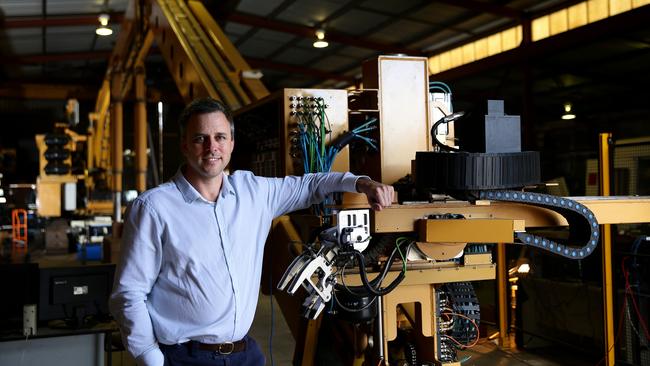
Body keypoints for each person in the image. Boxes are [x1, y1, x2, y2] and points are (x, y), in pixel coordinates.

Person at [110, 97, 394, 366]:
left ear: (231, 143)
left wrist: (363, 183)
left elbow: (310, 185)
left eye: (220, 137)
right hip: (184, 357)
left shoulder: (255, 193)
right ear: (184, 144)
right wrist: (150, 358)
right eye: (200, 139)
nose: (212, 147)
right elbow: (129, 293)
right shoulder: (154, 208)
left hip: (244, 354)